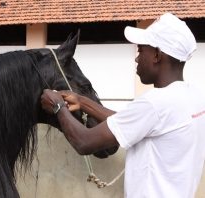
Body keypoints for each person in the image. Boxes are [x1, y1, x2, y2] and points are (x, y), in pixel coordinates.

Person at [41, 13, 205, 198]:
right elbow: (130, 122)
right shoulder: (194, 97)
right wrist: (82, 101)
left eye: (141, 51)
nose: (136, 59)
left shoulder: (154, 104)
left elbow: (84, 142)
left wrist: (58, 107)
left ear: (158, 55)